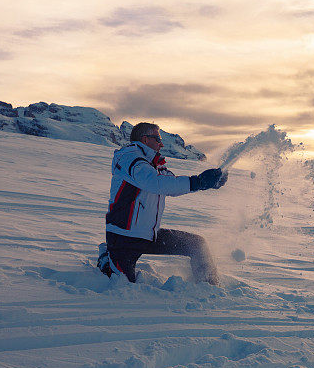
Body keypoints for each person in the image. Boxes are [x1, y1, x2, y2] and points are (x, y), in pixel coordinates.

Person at [97, 122, 227, 285]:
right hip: (124, 236)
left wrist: (209, 183)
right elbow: (155, 183)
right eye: (158, 139)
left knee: (197, 244)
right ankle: (105, 259)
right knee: (121, 282)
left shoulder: (154, 164)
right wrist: (198, 182)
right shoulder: (129, 158)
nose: (161, 144)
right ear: (145, 139)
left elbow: (170, 185)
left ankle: (209, 286)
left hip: (149, 234)